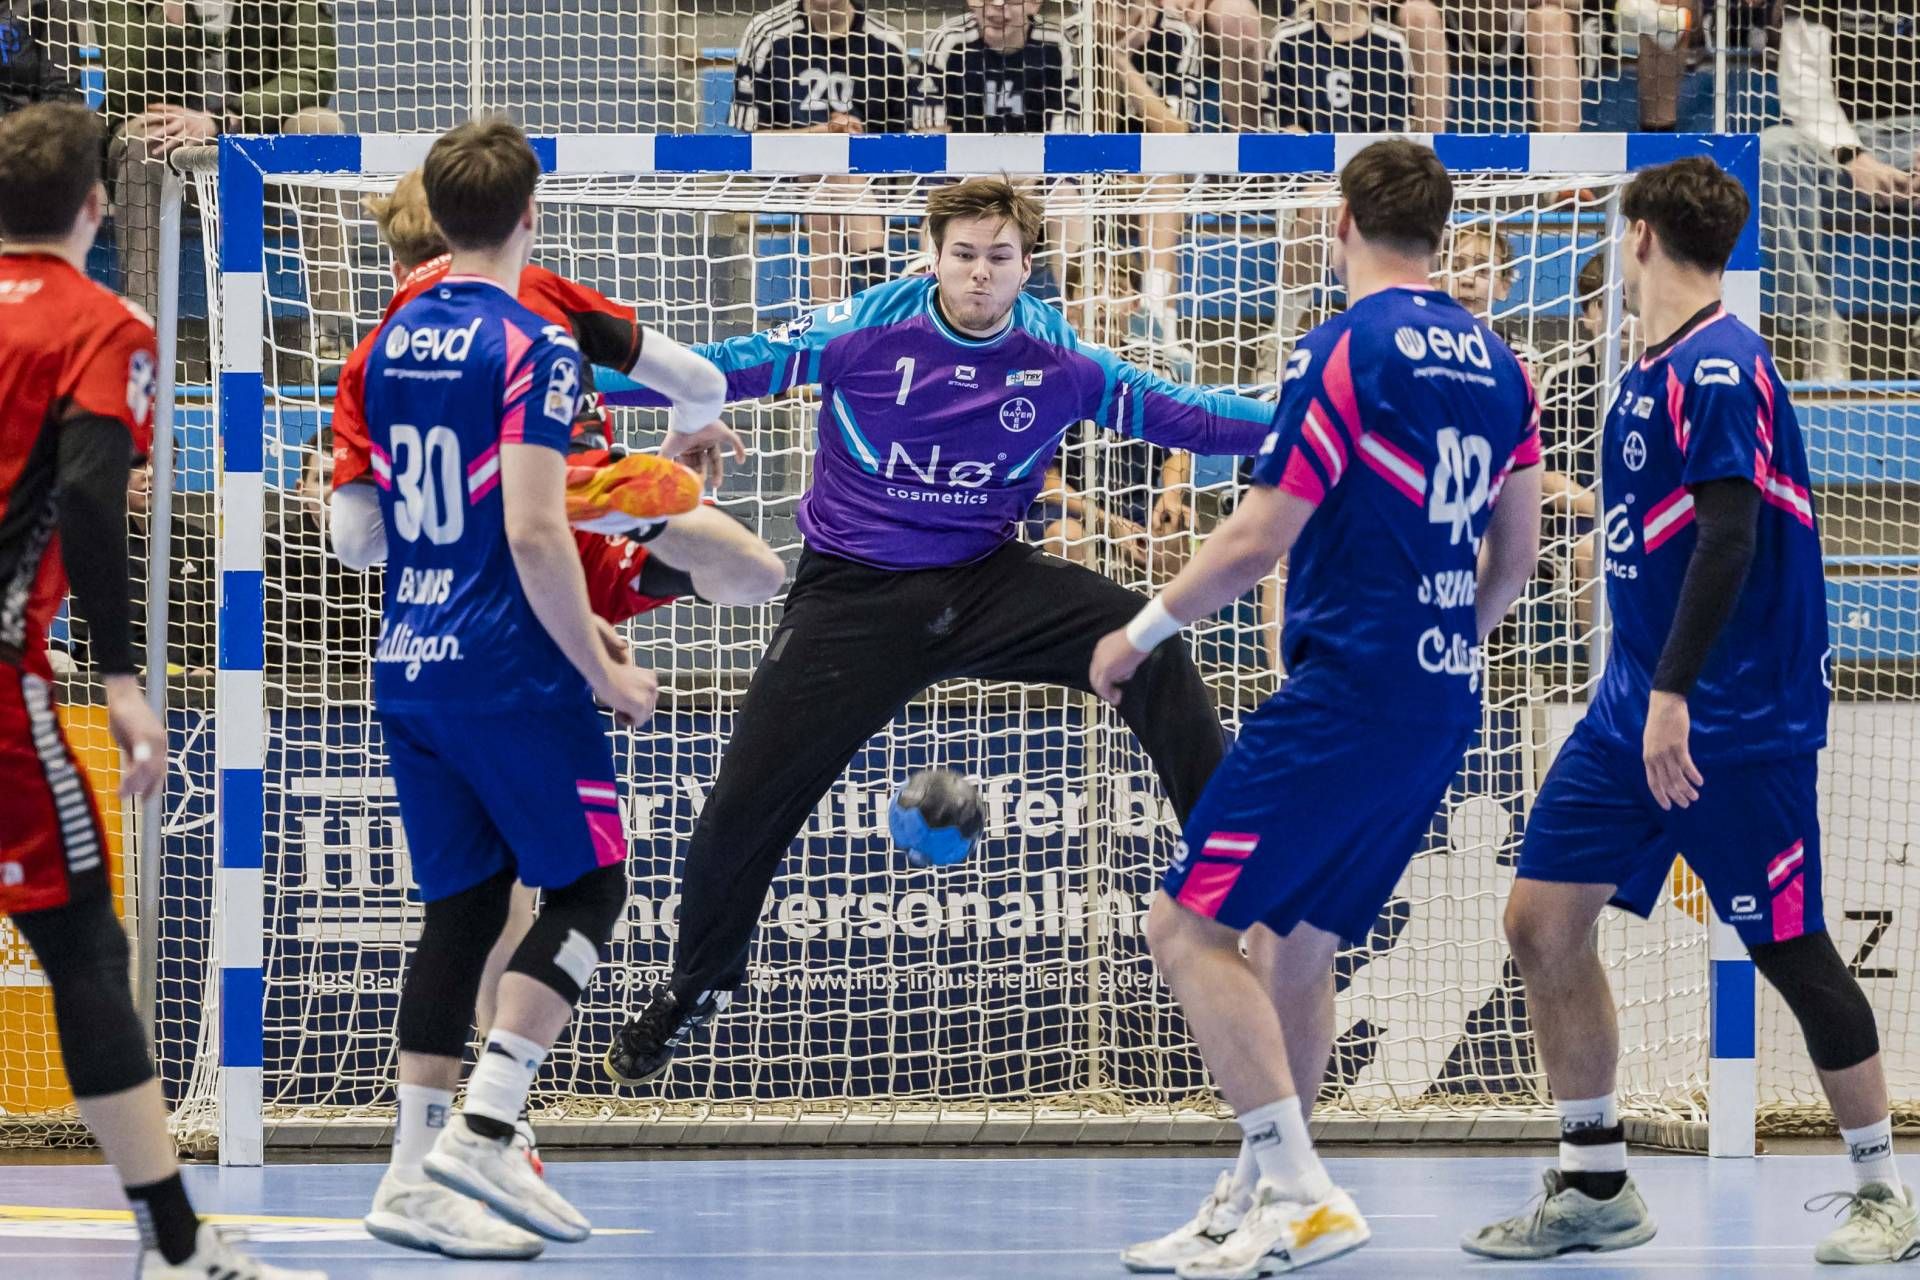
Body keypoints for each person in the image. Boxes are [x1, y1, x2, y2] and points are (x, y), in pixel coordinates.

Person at [600, 176, 1274, 1086]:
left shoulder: (1059, 356)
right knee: (743, 805)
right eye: (963, 255)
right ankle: (698, 986)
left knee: (1147, 640)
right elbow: (723, 367)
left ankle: (1230, 877)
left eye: (999, 257)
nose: (980, 273)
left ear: (1028, 266)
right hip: (853, 597)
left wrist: (1315, 419)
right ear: (933, 256)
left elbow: (1189, 415)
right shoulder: (865, 330)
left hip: (986, 580)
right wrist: (550, 378)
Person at [1094, 139, 1543, 1278]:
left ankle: (1303, 1191)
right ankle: (1254, 1196)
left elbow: (1259, 536)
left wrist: (1138, 632)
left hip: (1346, 687)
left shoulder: (1343, 348)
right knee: (1296, 946)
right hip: (1440, 694)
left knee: (1185, 927)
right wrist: (1442, 643)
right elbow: (1520, 554)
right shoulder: (1505, 364)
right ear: (1440, 234)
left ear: (1342, 221)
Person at [1464, 156, 1915, 1265]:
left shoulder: (1720, 366)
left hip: (1728, 725)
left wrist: (1673, 693)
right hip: (1628, 711)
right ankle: (1595, 1182)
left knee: (1791, 948)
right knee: (1540, 922)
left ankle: (1885, 1193)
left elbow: (1730, 535)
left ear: (1642, 237)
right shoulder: (1649, 366)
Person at [330, 164, 783, 1260]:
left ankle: (410, 1174)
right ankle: (489, 1126)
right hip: (514, 654)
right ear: (531, 215)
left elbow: (357, 535)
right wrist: (597, 658)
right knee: (589, 886)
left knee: (464, 907)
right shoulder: (534, 340)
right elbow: (537, 533)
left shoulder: (376, 351)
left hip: (414, 653)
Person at [0, 101, 323, 1280]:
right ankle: (180, 1247)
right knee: (84, 945)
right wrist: (124, 678)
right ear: (97, 208)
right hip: (5, 687)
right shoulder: (101, 323)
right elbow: (94, 495)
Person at [102, 0, 346, 348]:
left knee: (322, 128)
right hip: (171, 152)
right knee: (144, 143)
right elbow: (121, 85)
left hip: (256, 147)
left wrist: (227, 117)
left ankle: (329, 332)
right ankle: (144, 337)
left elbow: (310, 74)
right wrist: (169, 21)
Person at [1762, 2, 1920, 381]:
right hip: (1840, 144)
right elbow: (1803, 83)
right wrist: (1851, 156)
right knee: (1774, 151)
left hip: (1914, 136)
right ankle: (1817, 328)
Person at [731, 0, 914, 300]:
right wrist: (820, 135)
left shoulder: (887, 43)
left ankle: (826, 317)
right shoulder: (766, 33)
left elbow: (902, 145)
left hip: (867, 183)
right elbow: (753, 140)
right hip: (785, 178)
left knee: (827, 187)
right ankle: (880, 293)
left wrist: (854, 142)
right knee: (825, 173)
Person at [913, 0, 1081, 134]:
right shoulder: (947, 42)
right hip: (962, 164)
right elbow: (928, 138)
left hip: (1037, 164)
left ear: (1035, 3)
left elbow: (1067, 139)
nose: (998, 4)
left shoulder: (1058, 44)